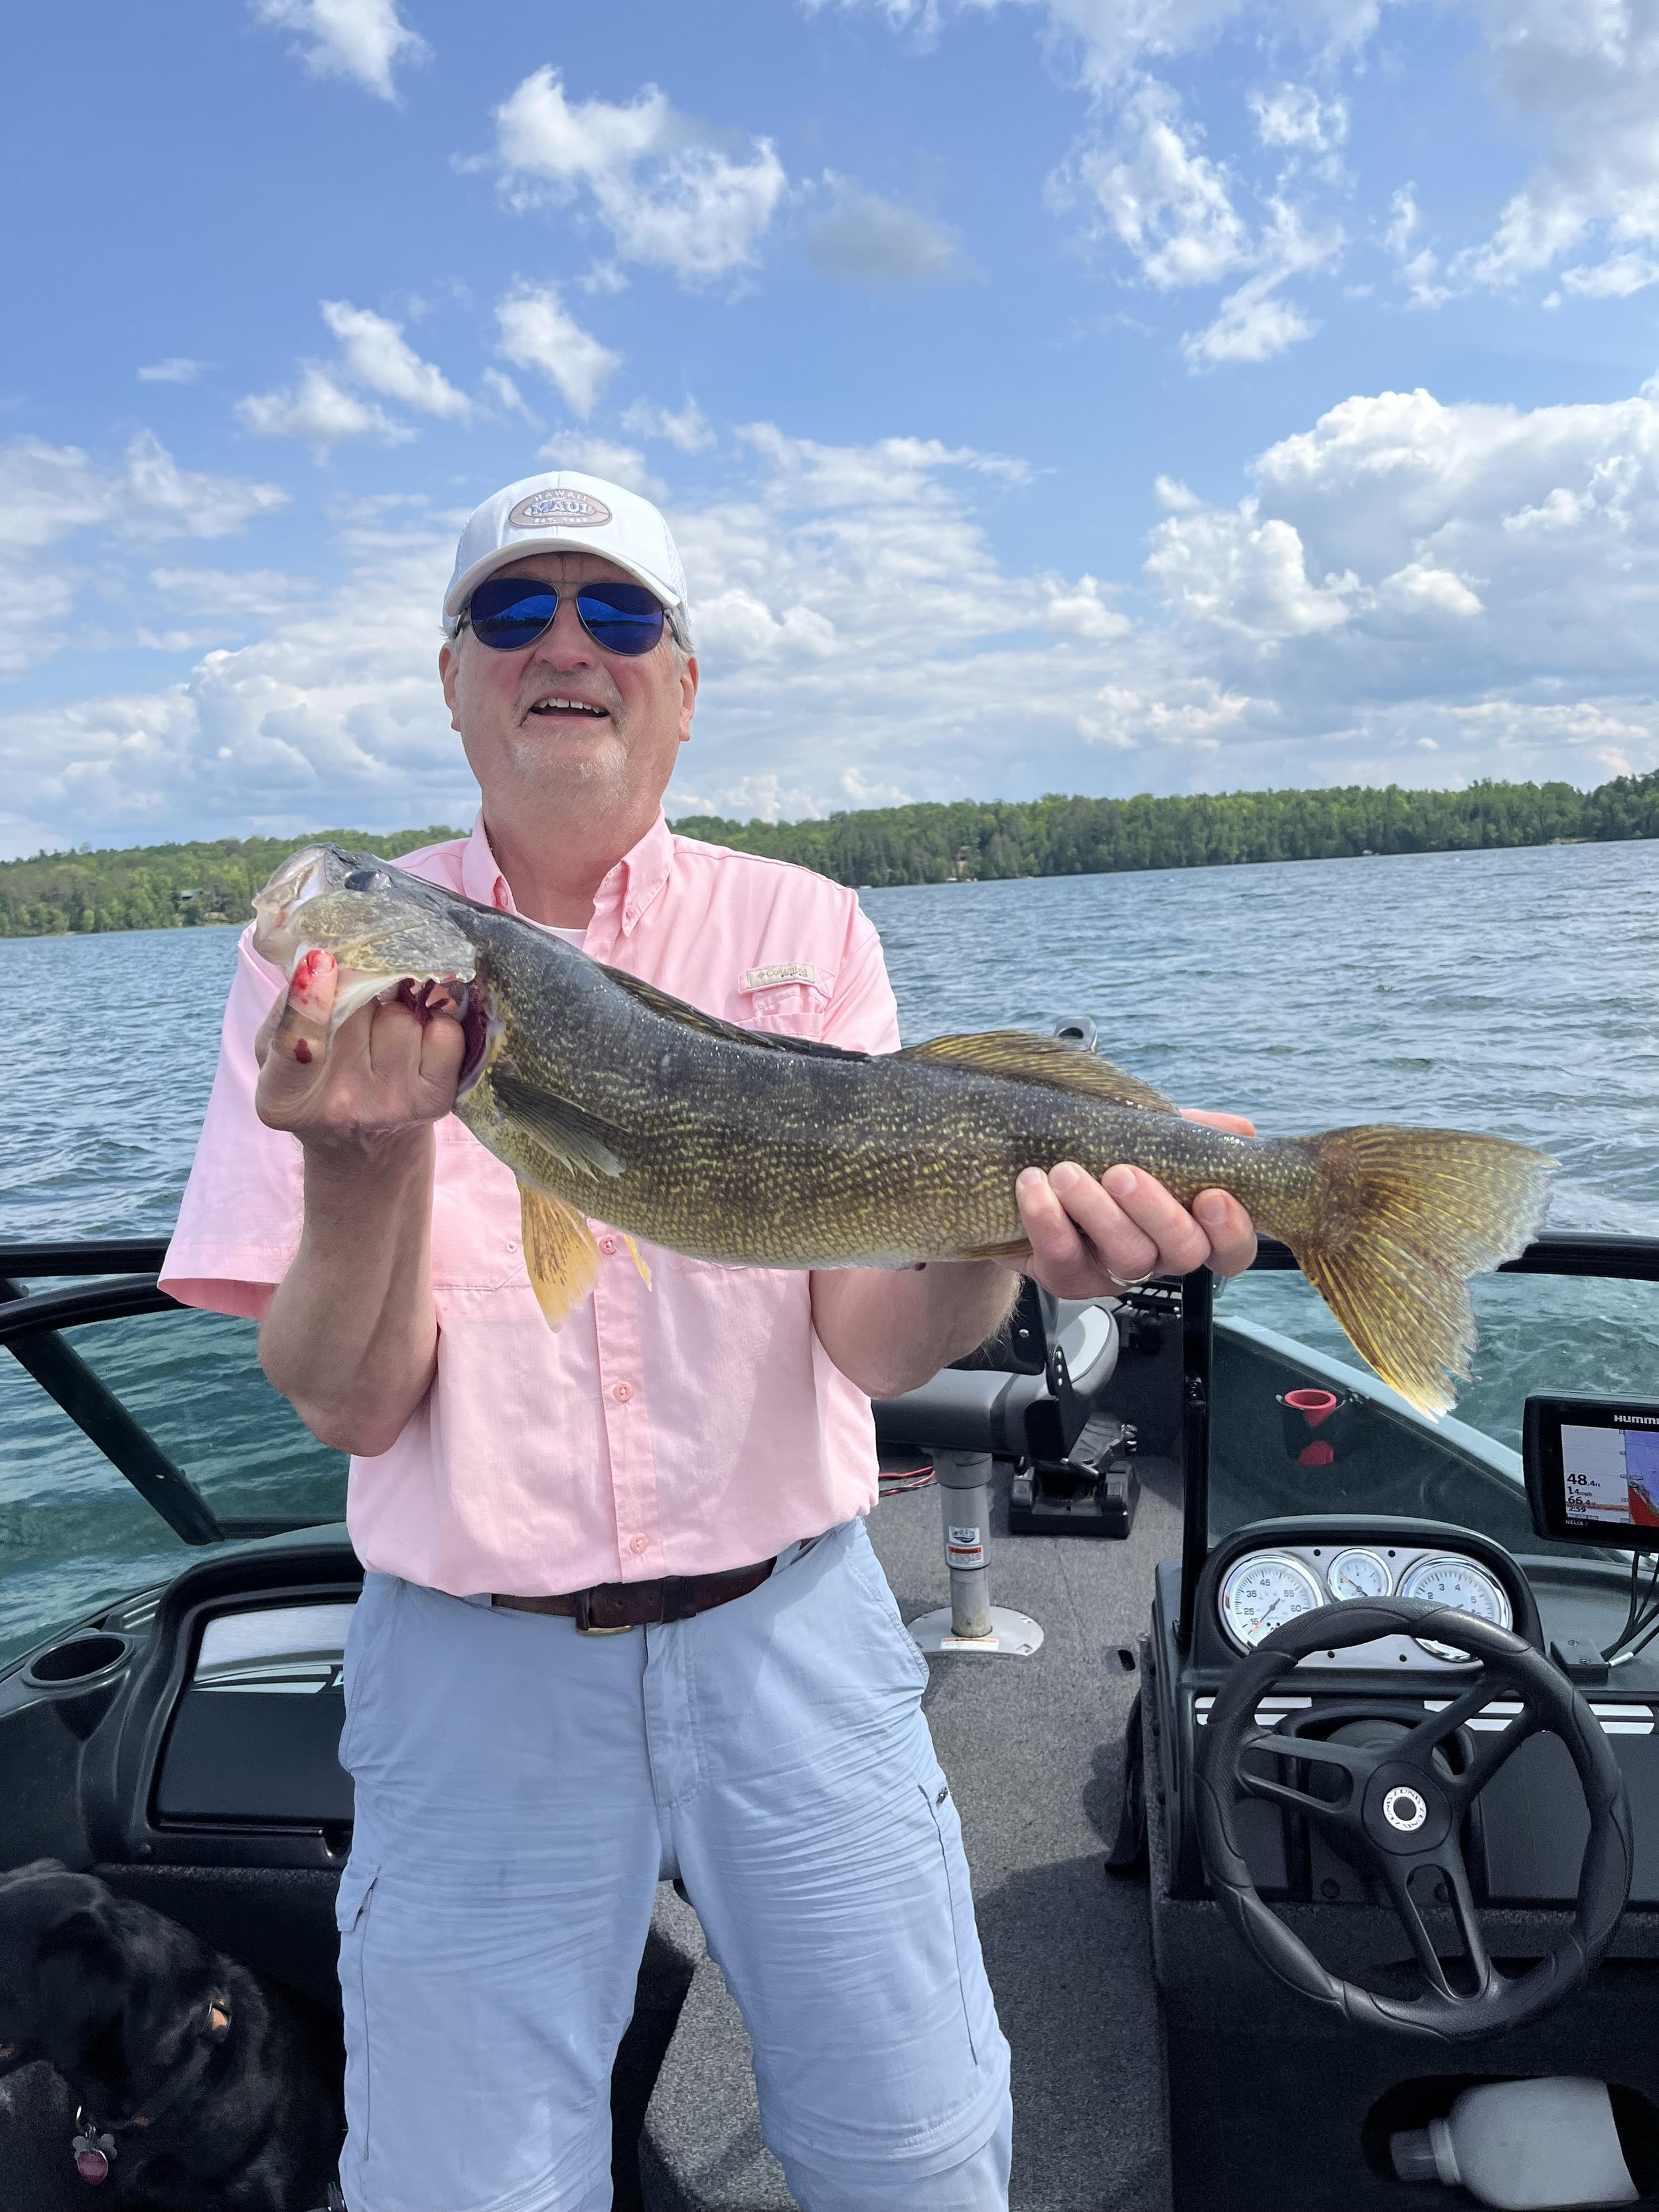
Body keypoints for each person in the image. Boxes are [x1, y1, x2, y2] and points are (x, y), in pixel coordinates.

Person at [161, 469, 1258, 2212]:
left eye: (617, 613)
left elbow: (881, 1343)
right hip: (466, 1668)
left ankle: (1354, 1204)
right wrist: (365, 1157)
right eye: (513, 613)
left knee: (919, 2157)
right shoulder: (335, 996)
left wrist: (1013, 1250)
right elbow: (349, 1404)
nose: (564, 646)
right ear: (452, 679)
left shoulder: (805, 929)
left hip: (796, 1632)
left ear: (680, 681)